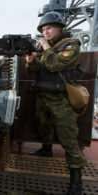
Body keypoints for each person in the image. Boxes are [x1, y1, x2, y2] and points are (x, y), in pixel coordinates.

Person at [25, 12, 87, 195]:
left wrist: (44, 47)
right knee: (44, 126)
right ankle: (46, 149)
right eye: (43, 29)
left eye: (49, 28)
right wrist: (30, 62)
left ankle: (76, 183)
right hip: (43, 96)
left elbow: (56, 65)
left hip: (60, 99)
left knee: (68, 138)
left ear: (59, 28)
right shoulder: (45, 48)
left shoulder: (71, 45)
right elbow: (35, 70)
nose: (46, 32)